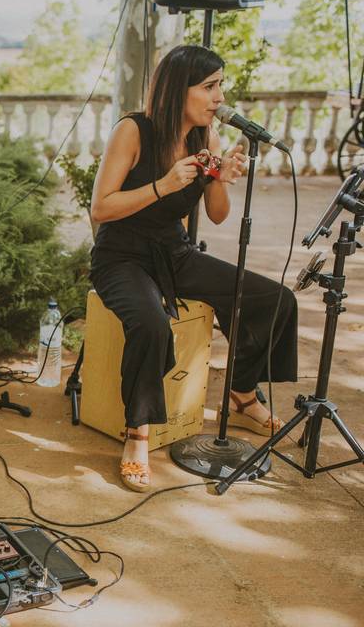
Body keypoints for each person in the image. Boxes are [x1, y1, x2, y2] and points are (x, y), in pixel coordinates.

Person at [89, 45, 298, 493]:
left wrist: (220, 177)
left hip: (174, 252)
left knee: (275, 300)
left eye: (220, 85)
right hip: (121, 256)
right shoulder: (133, 130)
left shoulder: (207, 137)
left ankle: (242, 391)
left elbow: (219, 215)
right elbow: (102, 208)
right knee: (151, 324)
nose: (219, 97)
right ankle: (138, 435)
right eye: (209, 86)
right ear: (176, 89)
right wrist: (164, 185)